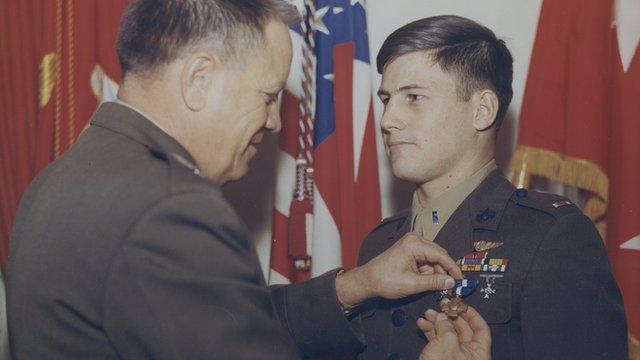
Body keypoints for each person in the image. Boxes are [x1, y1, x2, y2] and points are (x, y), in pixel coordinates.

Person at [7, 1, 471, 359]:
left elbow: (211, 316)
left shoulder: (66, 174)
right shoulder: (171, 210)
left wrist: (357, 285)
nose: (273, 122)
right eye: (269, 97)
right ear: (200, 80)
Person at [344, 15, 628, 360]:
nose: (388, 120)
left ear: (482, 111)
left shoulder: (551, 236)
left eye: (414, 97)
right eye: (386, 99)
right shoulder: (380, 241)